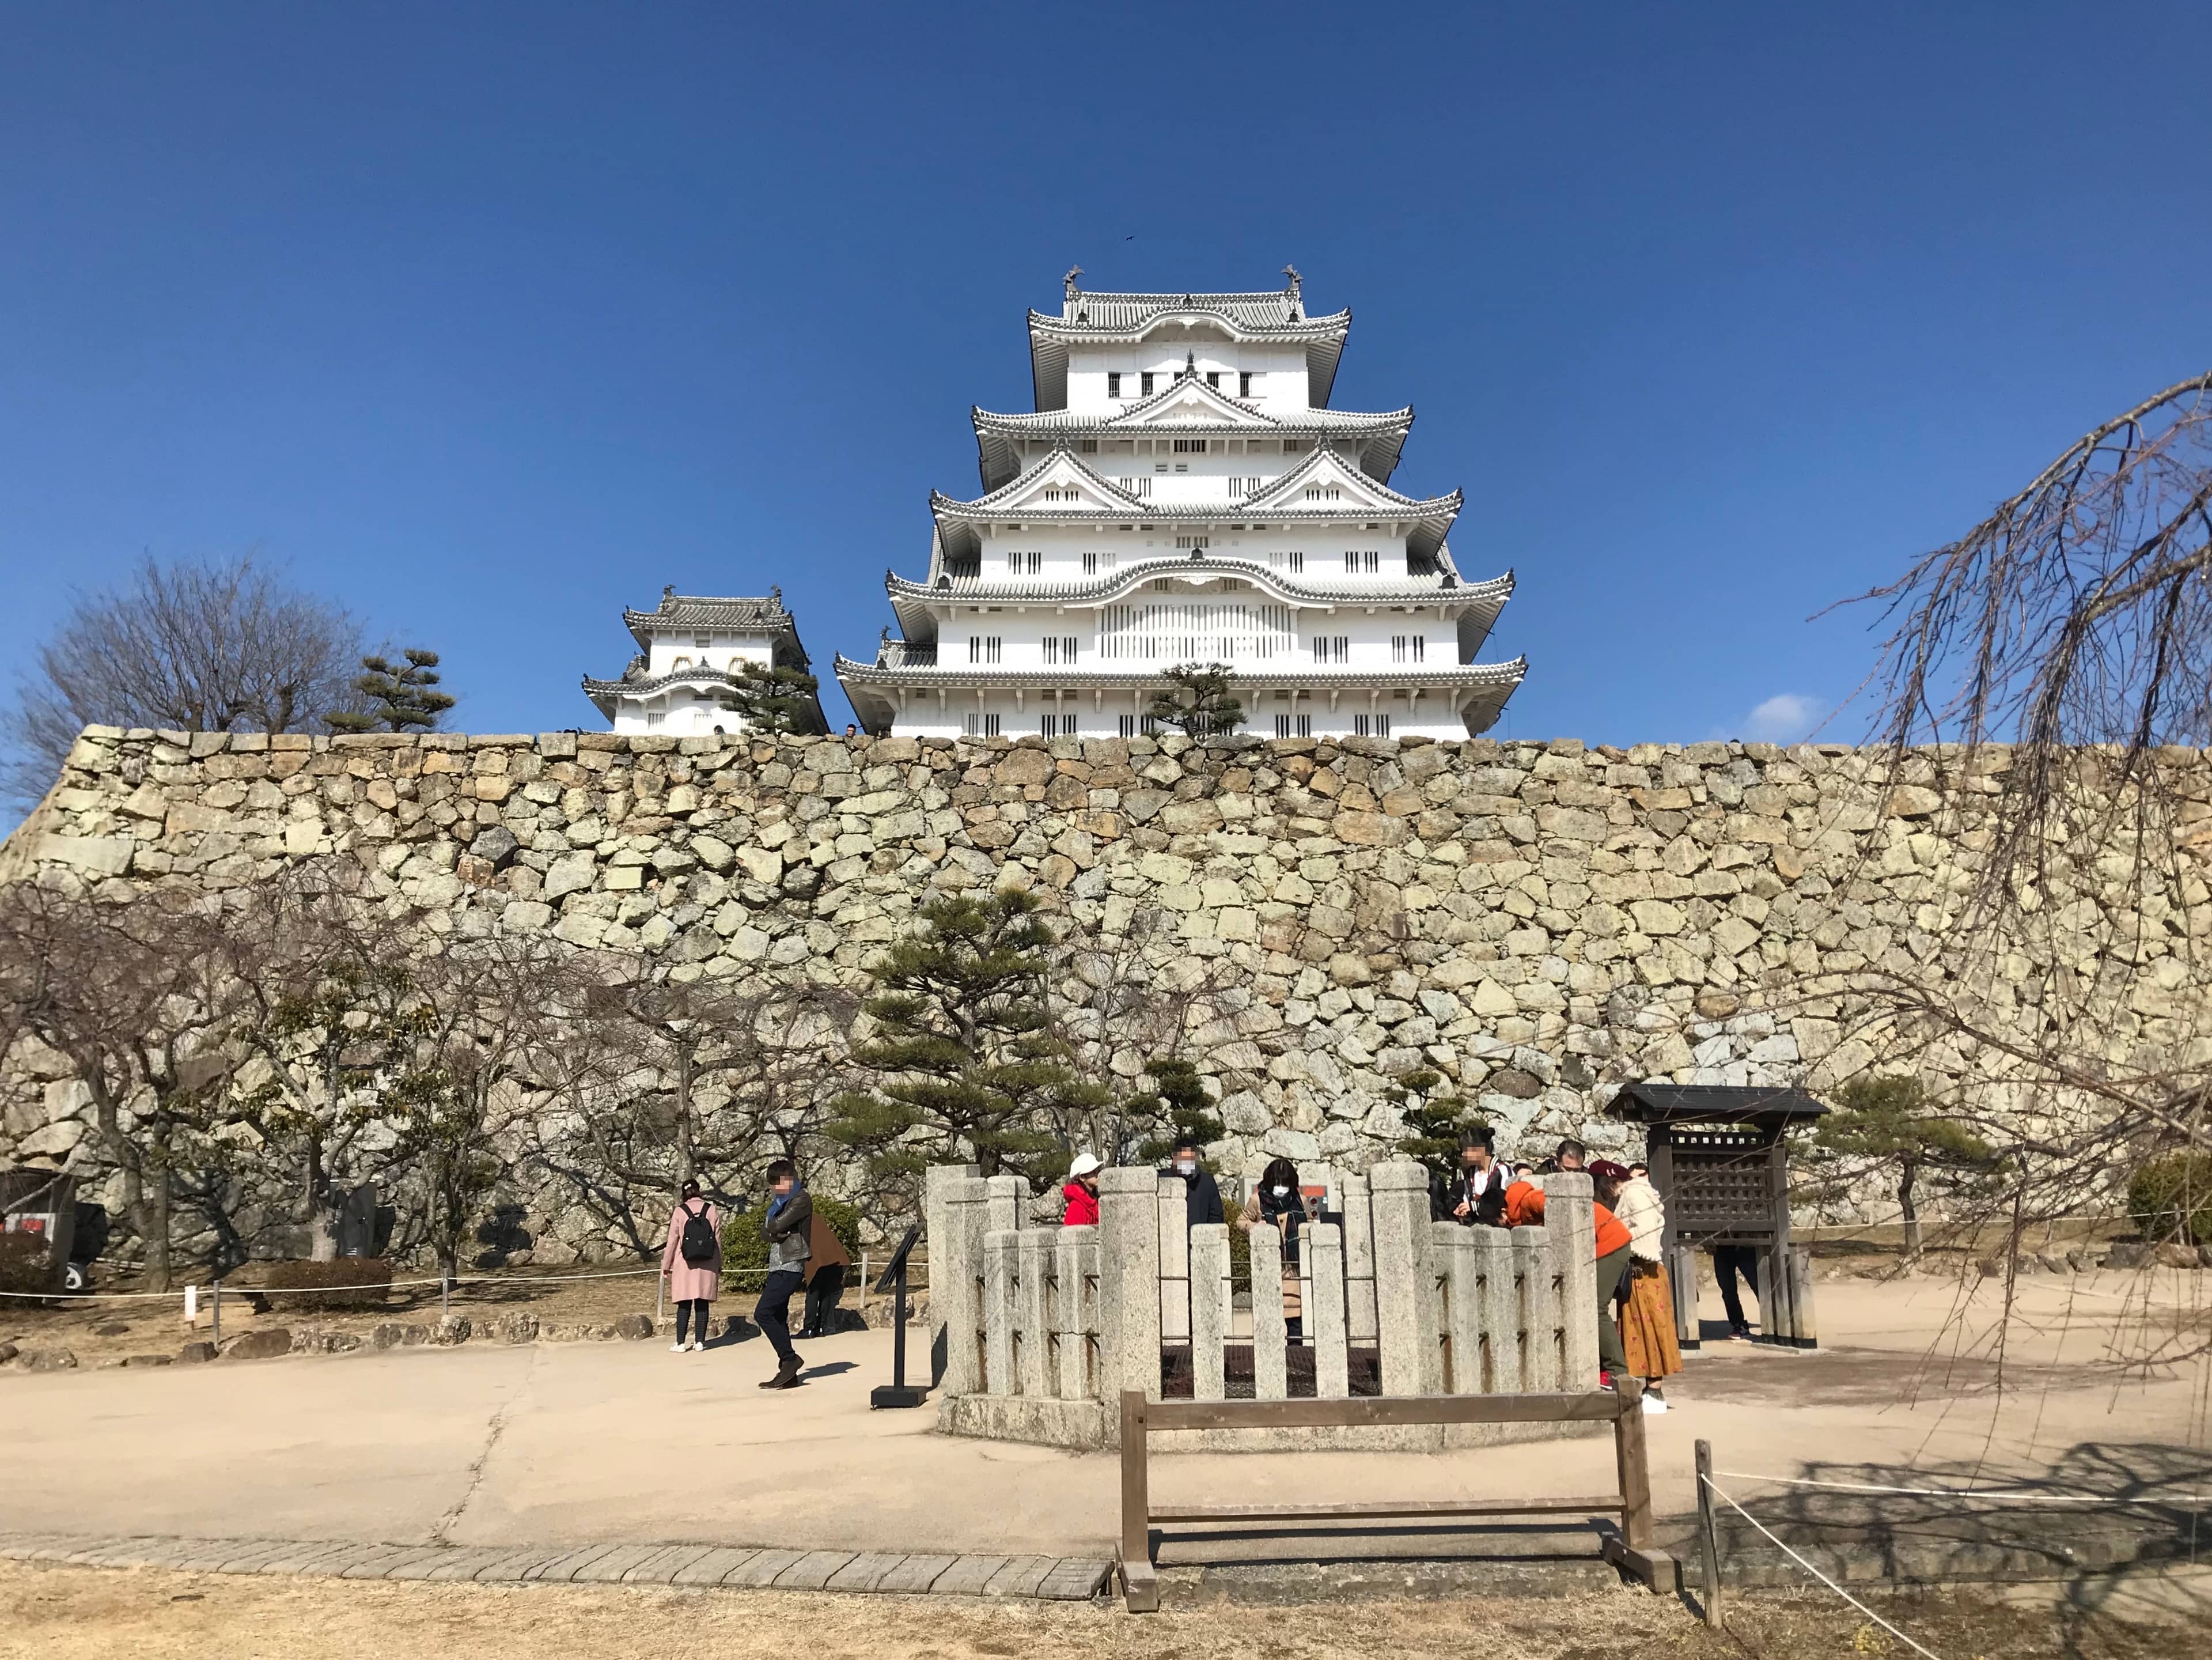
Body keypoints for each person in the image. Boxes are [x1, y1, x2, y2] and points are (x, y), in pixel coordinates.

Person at [1613, 1164, 1682, 1411]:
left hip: (1642, 1268)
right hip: (1651, 1270)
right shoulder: (1648, 1194)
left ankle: (1654, 1389)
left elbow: (1643, 1231)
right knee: (1651, 1326)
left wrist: (1620, 1241)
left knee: (1646, 1327)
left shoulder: (1633, 1194)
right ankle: (1652, 1388)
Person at [1235, 1157, 1313, 1342]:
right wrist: (1255, 1227)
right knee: (1272, 1321)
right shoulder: (1257, 1200)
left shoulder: (1300, 1201)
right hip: (1270, 1269)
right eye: (1277, 1183)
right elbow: (1241, 1221)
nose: (1281, 1187)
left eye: (1285, 1183)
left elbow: (1310, 1225)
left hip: (1295, 1270)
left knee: (1296, 1323)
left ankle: (1296, 1362)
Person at [752, 1159, 812, 1389]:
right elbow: (767, 1229)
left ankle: (790, 1359)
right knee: (777, 1316)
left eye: (777, 1184)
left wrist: (774, 1229)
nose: (774, 1189)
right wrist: (774, 1230)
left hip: (791, 1265)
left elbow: (775, 1226)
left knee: (763, 1313)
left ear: (788, 1179)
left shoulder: (801, 1199)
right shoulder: (780, 1202)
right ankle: (788, 1374)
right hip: (777, 1264)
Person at [1587, 1160, 1635, 1389]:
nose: (1618, 1187)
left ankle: (1616, 1370)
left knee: (1597, 1308)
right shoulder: (1597, 1201)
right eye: (1614, 1182)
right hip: (1609, 1249)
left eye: (1618, 1182)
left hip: (1614, 1248)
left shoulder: (1600, 1202)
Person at [660, 1179, 722, 1353]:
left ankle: (680, 1343)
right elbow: (717, 1241)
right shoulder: (711, 1210)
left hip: (684, 1263)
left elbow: (672, 1241)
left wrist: (667, 1265)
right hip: (708, 1262)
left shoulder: (680, 1211)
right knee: (702, 1303)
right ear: (699, 1190)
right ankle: (700, 1342)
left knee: (684, 1303)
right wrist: (719, 1264)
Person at [1435, 1129, 1509, 1226]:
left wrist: (1474, 1206)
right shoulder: (1470, 1173)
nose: (1463, 1154)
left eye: (1466, 1151)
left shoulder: (1502, 1171)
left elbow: (1506, 1203)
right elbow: (1467, 1199)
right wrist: (1463, 1210)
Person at [799, 1206, 852, 1340]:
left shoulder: (802, 1219)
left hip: (817, 1261)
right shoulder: (817, 1218)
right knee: (825, 1295)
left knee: (813, 1294)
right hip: (833, 1260)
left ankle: (809, 1328)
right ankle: (822, 1327)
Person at [1165, 1139, 1224, 1229]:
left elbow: (1216, 1217)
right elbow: (1216, 1218)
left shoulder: (1164, 1180)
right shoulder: (1207, 1181)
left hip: (1173, 1239)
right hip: (1200, 1239)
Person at [1713, 1243, 1760, 1340]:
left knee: (1758, 1285)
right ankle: (1739, 1325)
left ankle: (1773, 1322)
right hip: (1721, 1246)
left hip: (1745, 1243)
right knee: (1727, 1288)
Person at [1061, 1152, 1102, 1226]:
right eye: (1093, 1172)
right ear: (1082, 1177)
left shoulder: (1095, 1200)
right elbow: (1073, 1235)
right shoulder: (1076, 1207)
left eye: (1098, 1170)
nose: (1098, 1174)